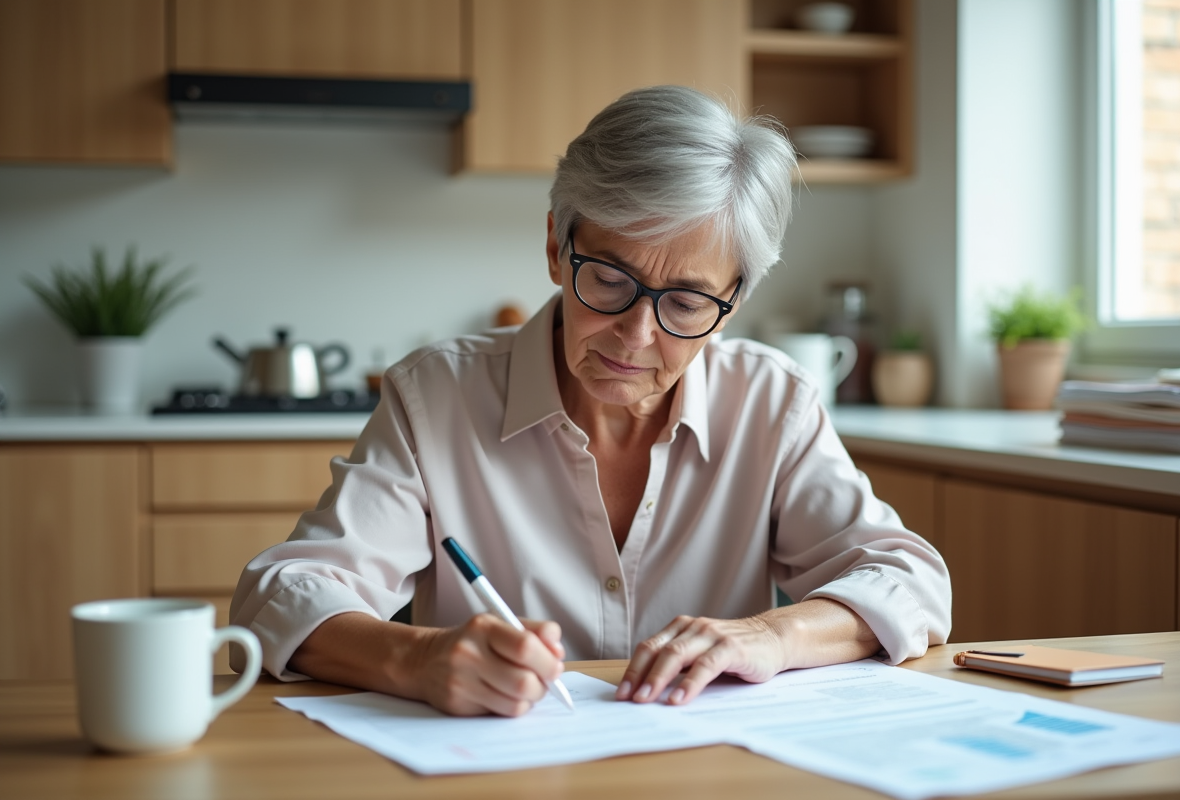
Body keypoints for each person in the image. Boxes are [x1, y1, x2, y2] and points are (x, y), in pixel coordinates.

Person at [230, 85, 951, 718]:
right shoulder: (437, 398)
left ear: (731, 306)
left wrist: (772, 635)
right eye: (609, 278)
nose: (637, 335)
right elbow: (279, 594)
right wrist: (414, 658)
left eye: (688, 300)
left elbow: (911, 582)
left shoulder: (772, 403)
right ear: (555, 245)